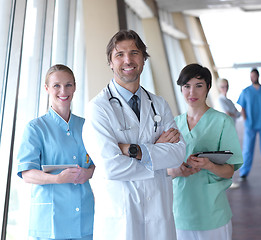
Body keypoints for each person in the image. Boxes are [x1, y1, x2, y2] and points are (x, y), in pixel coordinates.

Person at [82, 30, 186, 240]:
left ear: (144, 59)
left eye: (134, 52)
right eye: (119, 54)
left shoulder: (159, 104)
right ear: (110, 62)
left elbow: (178, 154)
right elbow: (111, 166)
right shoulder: (98, 108)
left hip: (158, 213)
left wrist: (131, 150)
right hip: (121, 216)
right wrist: (156, 157)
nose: (128, 60)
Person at [17, 64, 95, 240]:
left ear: (75, 87)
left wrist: (88, 173)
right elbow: (27, 173)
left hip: (84, 218)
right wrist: (57, 179)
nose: (63, 91)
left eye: (68, 85)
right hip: (50, 221)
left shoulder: (86, 126)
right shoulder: (36, 128)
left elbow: (98, 162)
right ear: (46, 88)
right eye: (56, 86)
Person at [168, 64, 243, 240]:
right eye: (187, 86)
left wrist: (209, 165)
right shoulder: (172, 124)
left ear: (208, 87)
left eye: (198, 85)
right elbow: (162, 168)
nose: (192, 92)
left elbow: (229, 171)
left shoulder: (222, 122)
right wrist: (174, 171)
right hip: (180, 212)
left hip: (212, 213)